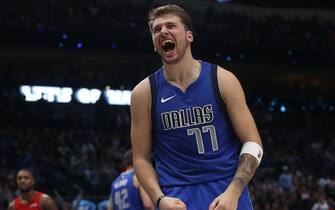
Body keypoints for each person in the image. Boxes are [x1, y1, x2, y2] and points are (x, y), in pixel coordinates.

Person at [130, 4, 264, 210]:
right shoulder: (143, 93)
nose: (163, 31)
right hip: (175, 198)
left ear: (189, 36)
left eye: (171, 26)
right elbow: (140, 158)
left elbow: (253, 143)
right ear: (154, 45)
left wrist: (234, 191)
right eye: (157, 29)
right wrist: (159, 199)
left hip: (226, 194)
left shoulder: (223, 80)